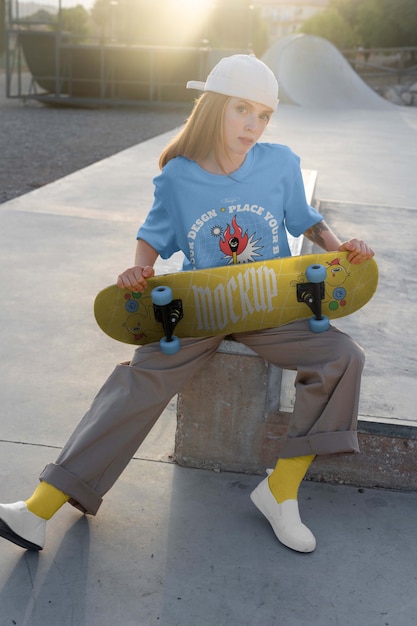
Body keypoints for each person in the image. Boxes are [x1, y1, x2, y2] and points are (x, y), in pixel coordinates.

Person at [0, 54, 374, 554]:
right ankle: (39, 508)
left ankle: (280, 490)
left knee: (343, 357)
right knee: (138, 381)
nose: (253, 125)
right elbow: (153, 233)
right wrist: (139, 268)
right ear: (214, 107)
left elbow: (306, 219)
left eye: (263, 115)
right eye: (242, 109)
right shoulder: (178, 176)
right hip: (202, 306)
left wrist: (339, 247)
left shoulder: (279, 162)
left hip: (273, 302)